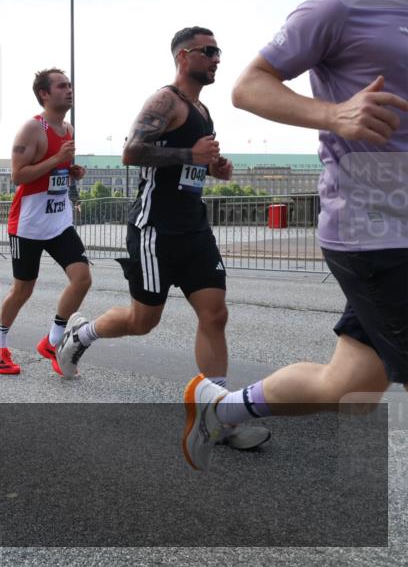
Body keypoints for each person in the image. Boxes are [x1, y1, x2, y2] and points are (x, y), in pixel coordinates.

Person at [183, 0, 408, 471]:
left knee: (350, 387)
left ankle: (221, 407)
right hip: (377, 230)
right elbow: (248, 86)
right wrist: (335, 115)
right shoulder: (336, 9)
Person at [51, 28, 268, 448]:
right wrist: (191, 155)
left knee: (215, 314)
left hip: (194, 227)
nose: (217, 59)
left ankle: (219, 417)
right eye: (209, 51)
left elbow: (192, 164)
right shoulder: (164, 101)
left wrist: (214, 167)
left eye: (218, 51)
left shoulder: (202, 110)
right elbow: (131, 152)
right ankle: (81, 335)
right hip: (155, 229)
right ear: (184, 56)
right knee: (143, 321)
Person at [0, 67, 88, 375]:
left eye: (69, 85)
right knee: (23, 289)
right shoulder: (32, 129)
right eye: (61, 86)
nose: (69, 90)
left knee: (82, 279)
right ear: (44, 94)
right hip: (28, 224)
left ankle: (53, 341)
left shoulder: (67, 129)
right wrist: (57, 160)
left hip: (58, 221)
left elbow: (53, 171)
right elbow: (18, 175)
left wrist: (70, 172)